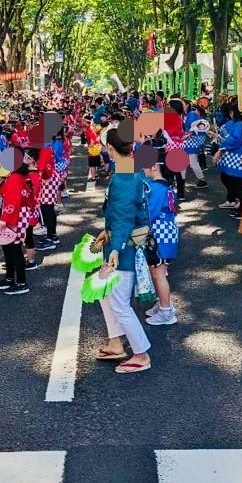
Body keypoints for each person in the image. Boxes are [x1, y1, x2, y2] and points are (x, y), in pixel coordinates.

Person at [93, 127, 152, 374]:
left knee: (118, 302)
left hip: (123, 248)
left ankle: (141, 354)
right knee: (106, 293)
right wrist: (108, 232)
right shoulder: (130, 172)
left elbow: (124, 216)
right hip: (120, 242)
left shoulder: (123, 178)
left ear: (110, 149)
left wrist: (115, 247)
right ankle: (116, 342)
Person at [0, 149, 39, 295]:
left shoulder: (16, 177)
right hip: (17, 214)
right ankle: (10, 278)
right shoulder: (17, 175)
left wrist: (4, 219)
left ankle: (21, 282)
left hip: (15, 215)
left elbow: (14, 201)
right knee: (8, 247)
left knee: (14, 248)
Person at [142, 161, 179, 325]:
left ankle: (166, 311)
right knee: (157, 272)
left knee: (159, 274)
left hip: (160, 234)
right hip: (165, 232)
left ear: (154, 166)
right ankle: (164, 304)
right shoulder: (165, 186)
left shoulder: (156, 188)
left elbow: (150, 212)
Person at [214, 103, 242, 213]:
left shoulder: (241, 124)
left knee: (236, 182)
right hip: (230, 156)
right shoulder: (236, 123)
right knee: (228, 179)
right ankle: (235, 202)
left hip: (236, 157)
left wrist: (221, 146)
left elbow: (234, 140)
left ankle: (240, 206)